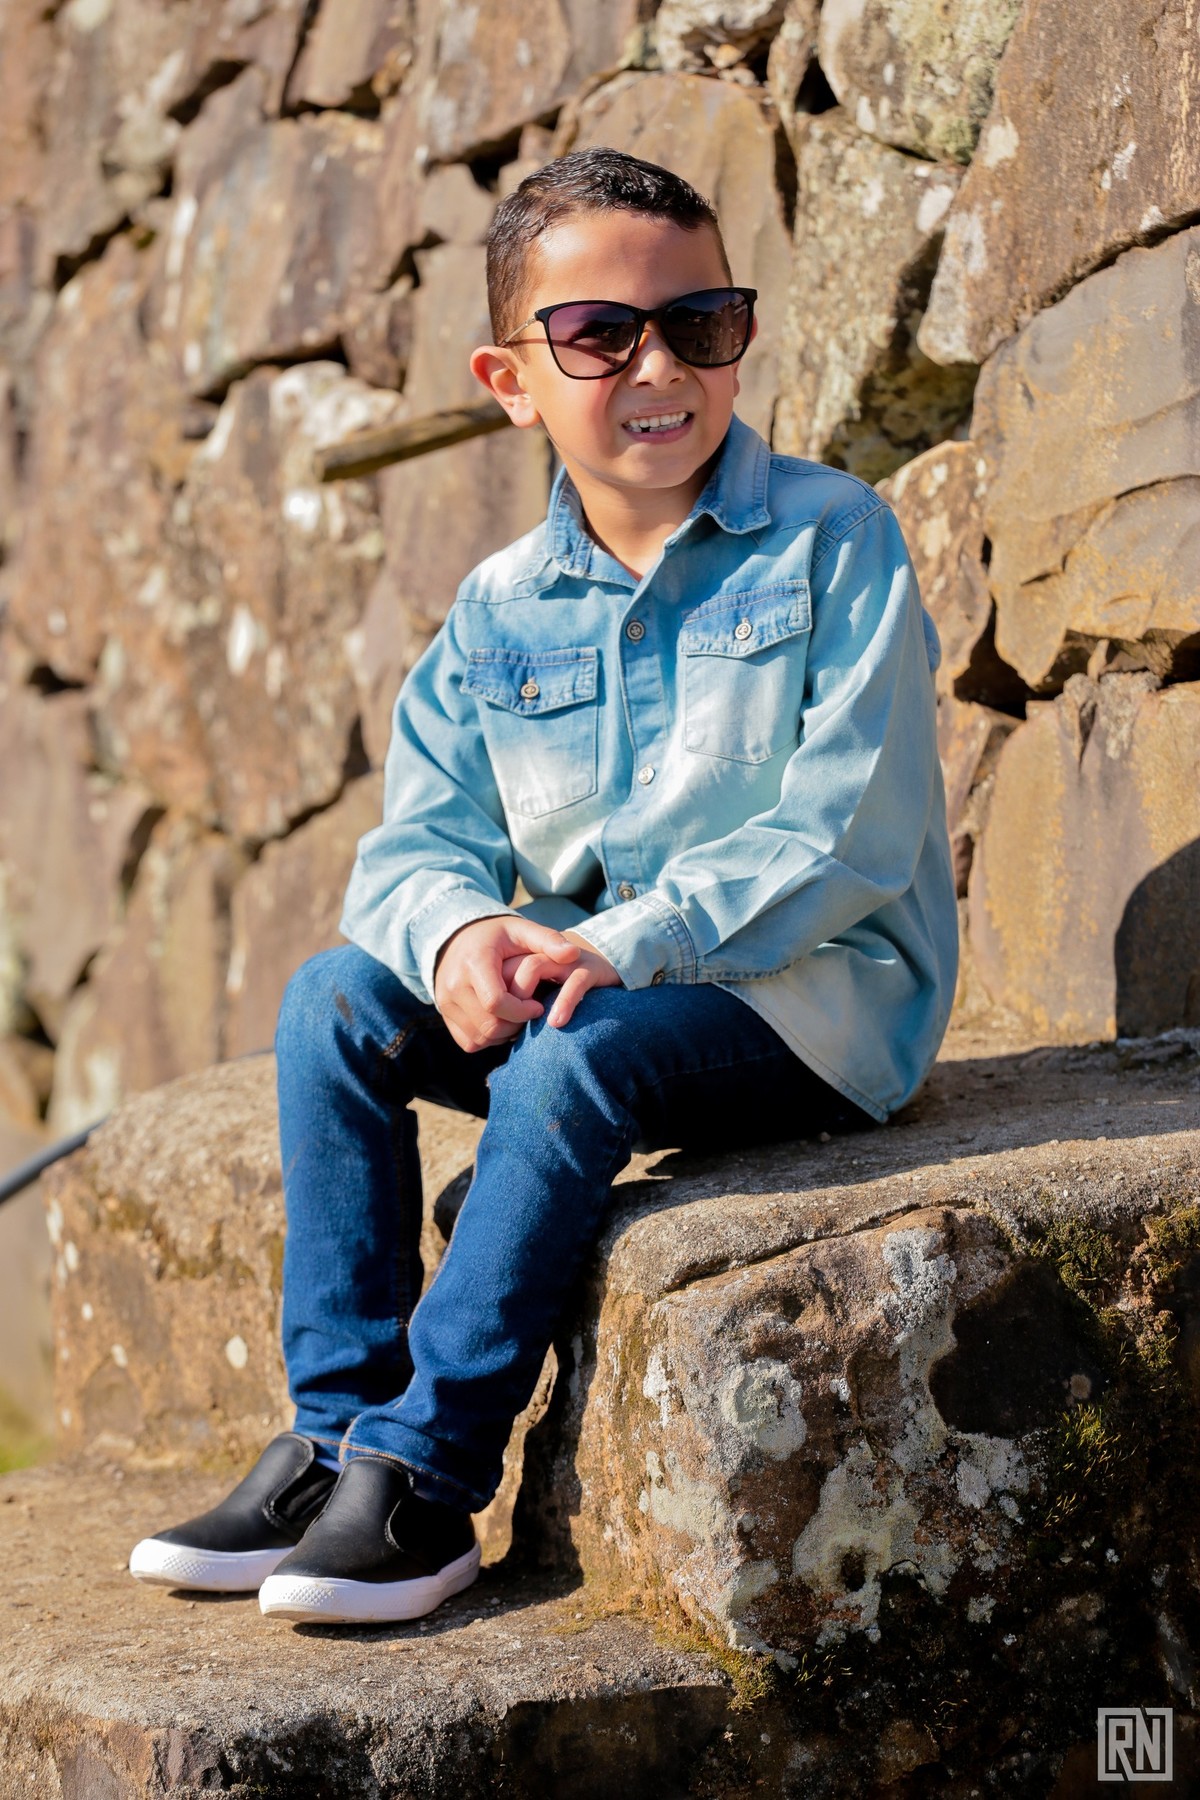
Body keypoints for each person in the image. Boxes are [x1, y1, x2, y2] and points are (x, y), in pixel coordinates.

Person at [128, 147, 957, 1625]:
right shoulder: (499, 609)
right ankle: (335, 1439)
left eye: (701, 324)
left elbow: (848, 831)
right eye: (598, 336)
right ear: (511, 380)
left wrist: (630, 939)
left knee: (574, 1059)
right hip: (601, 989)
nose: (661, 367)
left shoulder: (835, 540)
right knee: (334, 1002)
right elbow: (416, 846)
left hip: (813, 1008)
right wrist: (460, 933)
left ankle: (428, 1480)